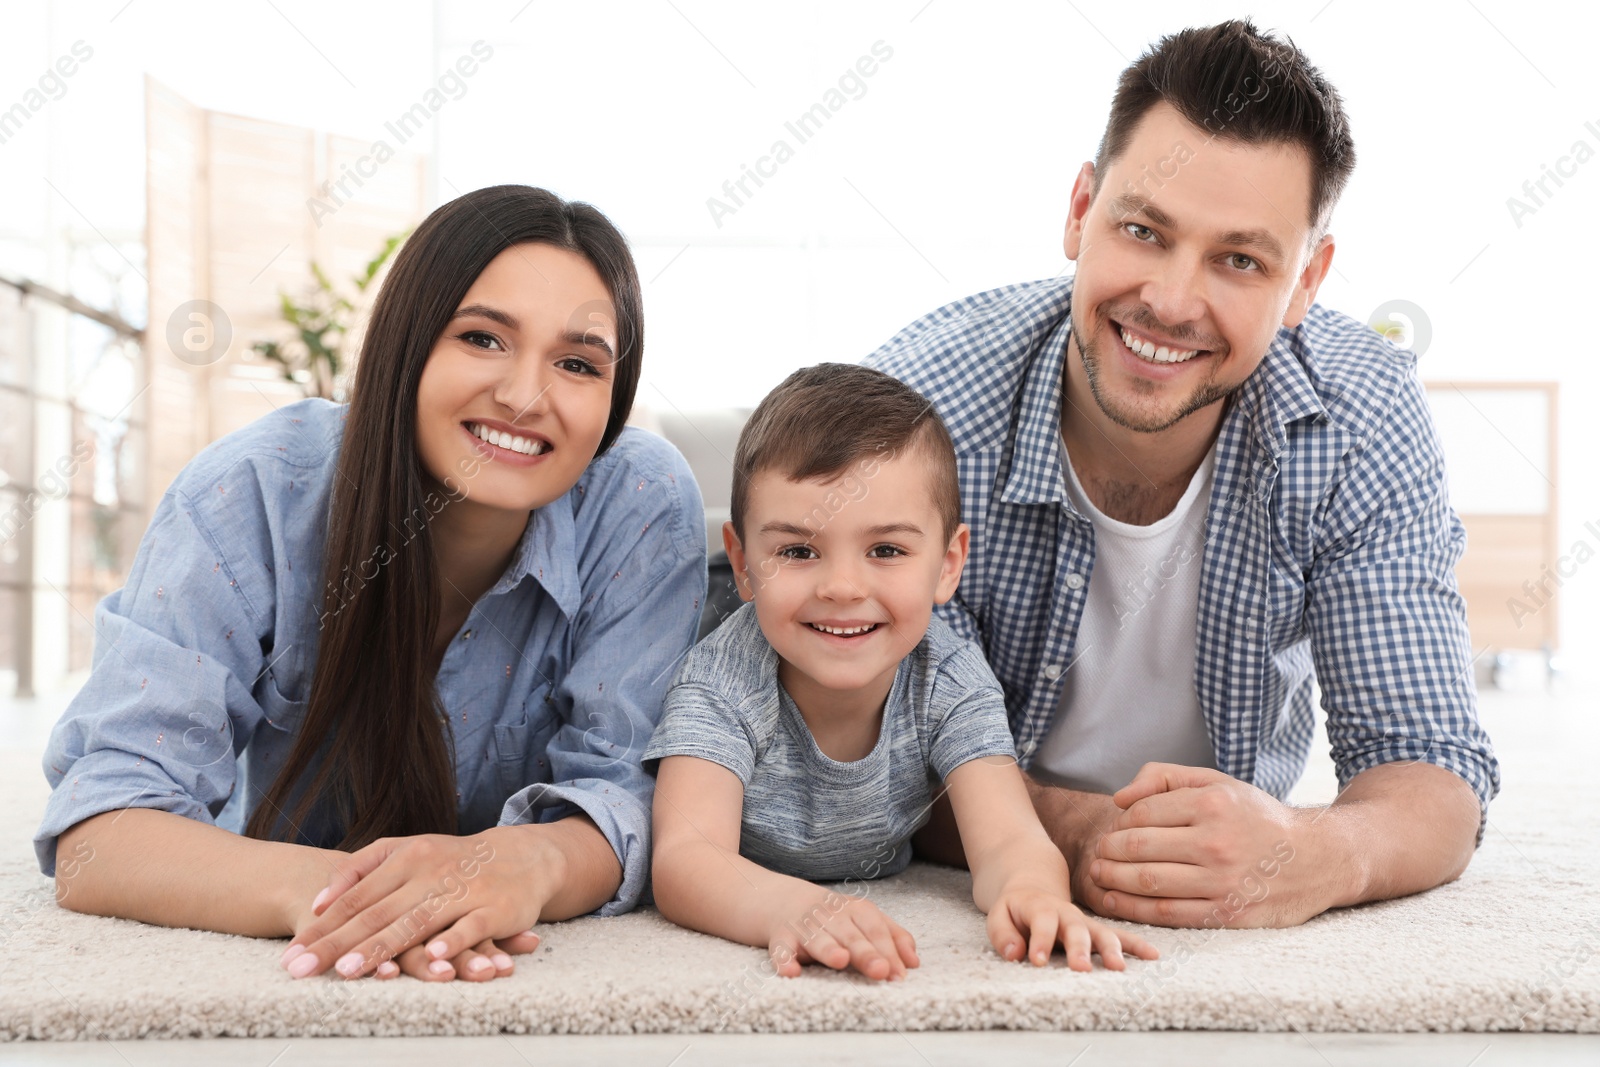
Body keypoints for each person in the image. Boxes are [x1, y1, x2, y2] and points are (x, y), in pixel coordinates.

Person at [863, 20, 1500, 929]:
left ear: (1308, 279)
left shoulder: (1362, 414)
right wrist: (1075, 832)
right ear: (1081, 212)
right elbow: (849, 750)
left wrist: (1317, 850)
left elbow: (1430, 761)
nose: (1171, 300)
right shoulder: (919, 411)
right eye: (1143, 229)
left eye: (1240, 259)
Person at [34, 185, 707, 982]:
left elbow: (625, 792)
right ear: (406, 342)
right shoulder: (252, 490)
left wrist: (527, 862)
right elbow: (101, 830)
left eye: (576, 362)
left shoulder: (642, 500)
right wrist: (359, 899)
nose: (526, 396)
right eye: (483, 337)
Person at [645, 364, 1159, 980]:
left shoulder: (952, 676)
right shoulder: (720, 679)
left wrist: (1034, 892)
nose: (841, 587)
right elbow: (686, 860)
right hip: (717, 609)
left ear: (947, 565)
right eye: (798, 551)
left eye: (885, 550)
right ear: (747, 563)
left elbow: (1006, 837)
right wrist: (789, 905)